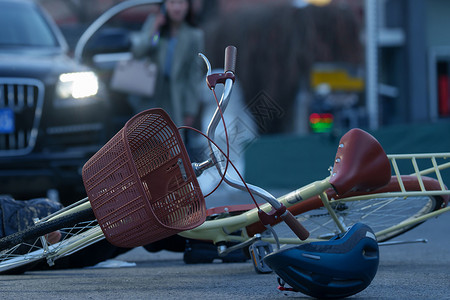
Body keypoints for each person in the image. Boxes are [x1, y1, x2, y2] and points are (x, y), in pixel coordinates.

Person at [129, 0, 205, 129]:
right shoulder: (156, 27)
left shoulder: (194, 36)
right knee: (147, 139)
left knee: (173, 140)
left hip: (176, 97)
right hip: (152, 93)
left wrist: (190, 110)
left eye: (181, 3)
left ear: (187, 6)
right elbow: (138, 52)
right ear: (165, 5)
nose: (177, 7)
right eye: (172, 3)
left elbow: (194, 74)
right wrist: (155, 30)